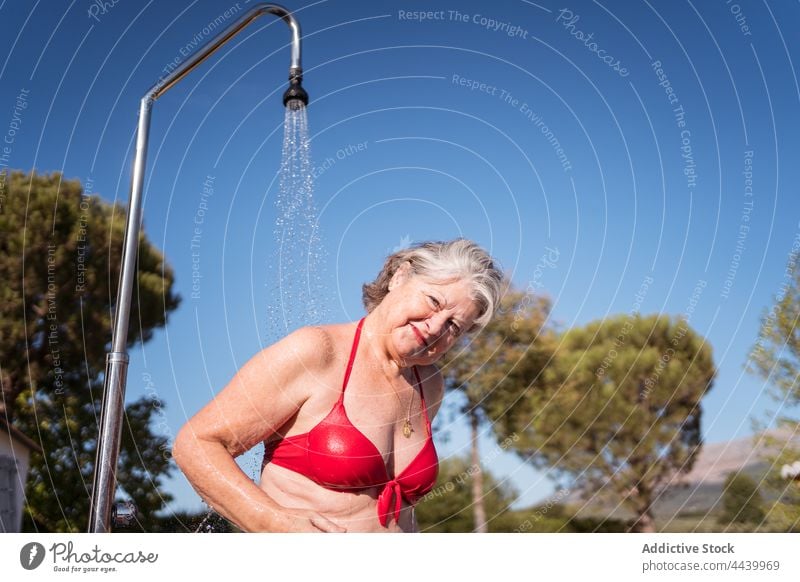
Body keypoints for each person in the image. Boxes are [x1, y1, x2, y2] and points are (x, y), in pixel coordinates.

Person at [172, 238, 503, 532]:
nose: (435, 327)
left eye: (454, 327)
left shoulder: (429, 384)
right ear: (400, 276)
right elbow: (197, 444)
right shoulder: (316, 351)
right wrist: (273, 522)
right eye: (433, 301)